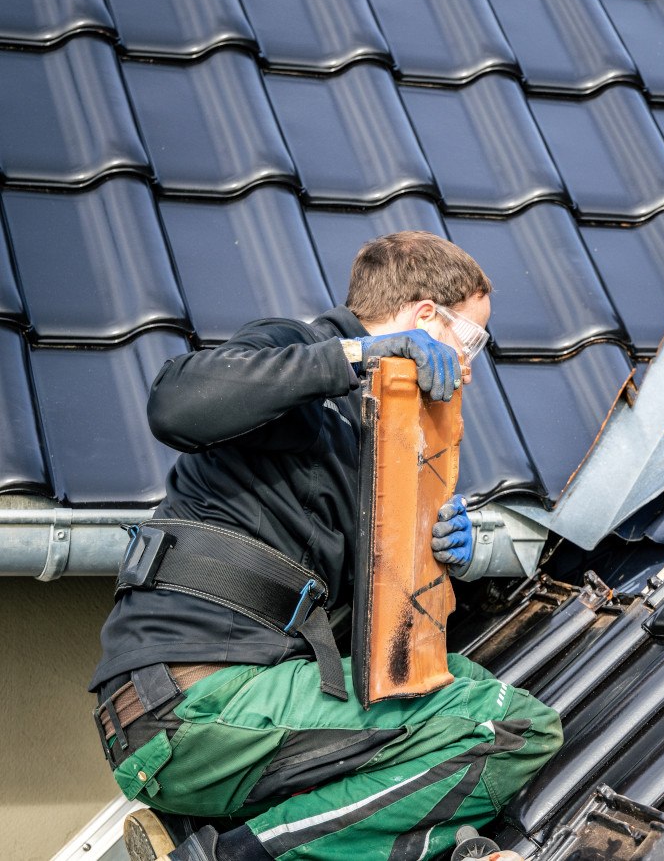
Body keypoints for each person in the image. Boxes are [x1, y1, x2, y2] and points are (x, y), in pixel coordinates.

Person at [90, 232, 562, 861]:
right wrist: (352, 356)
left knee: (456, 682)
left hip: (233, 709)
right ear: (424, 317)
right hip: (193, 702)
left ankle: (199, 837)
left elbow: (376, 648)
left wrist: (452, 562)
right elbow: (176, 404)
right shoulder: (299, 355)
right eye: (471, 340)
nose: (471, 365)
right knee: (512, 727)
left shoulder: (377, 440)